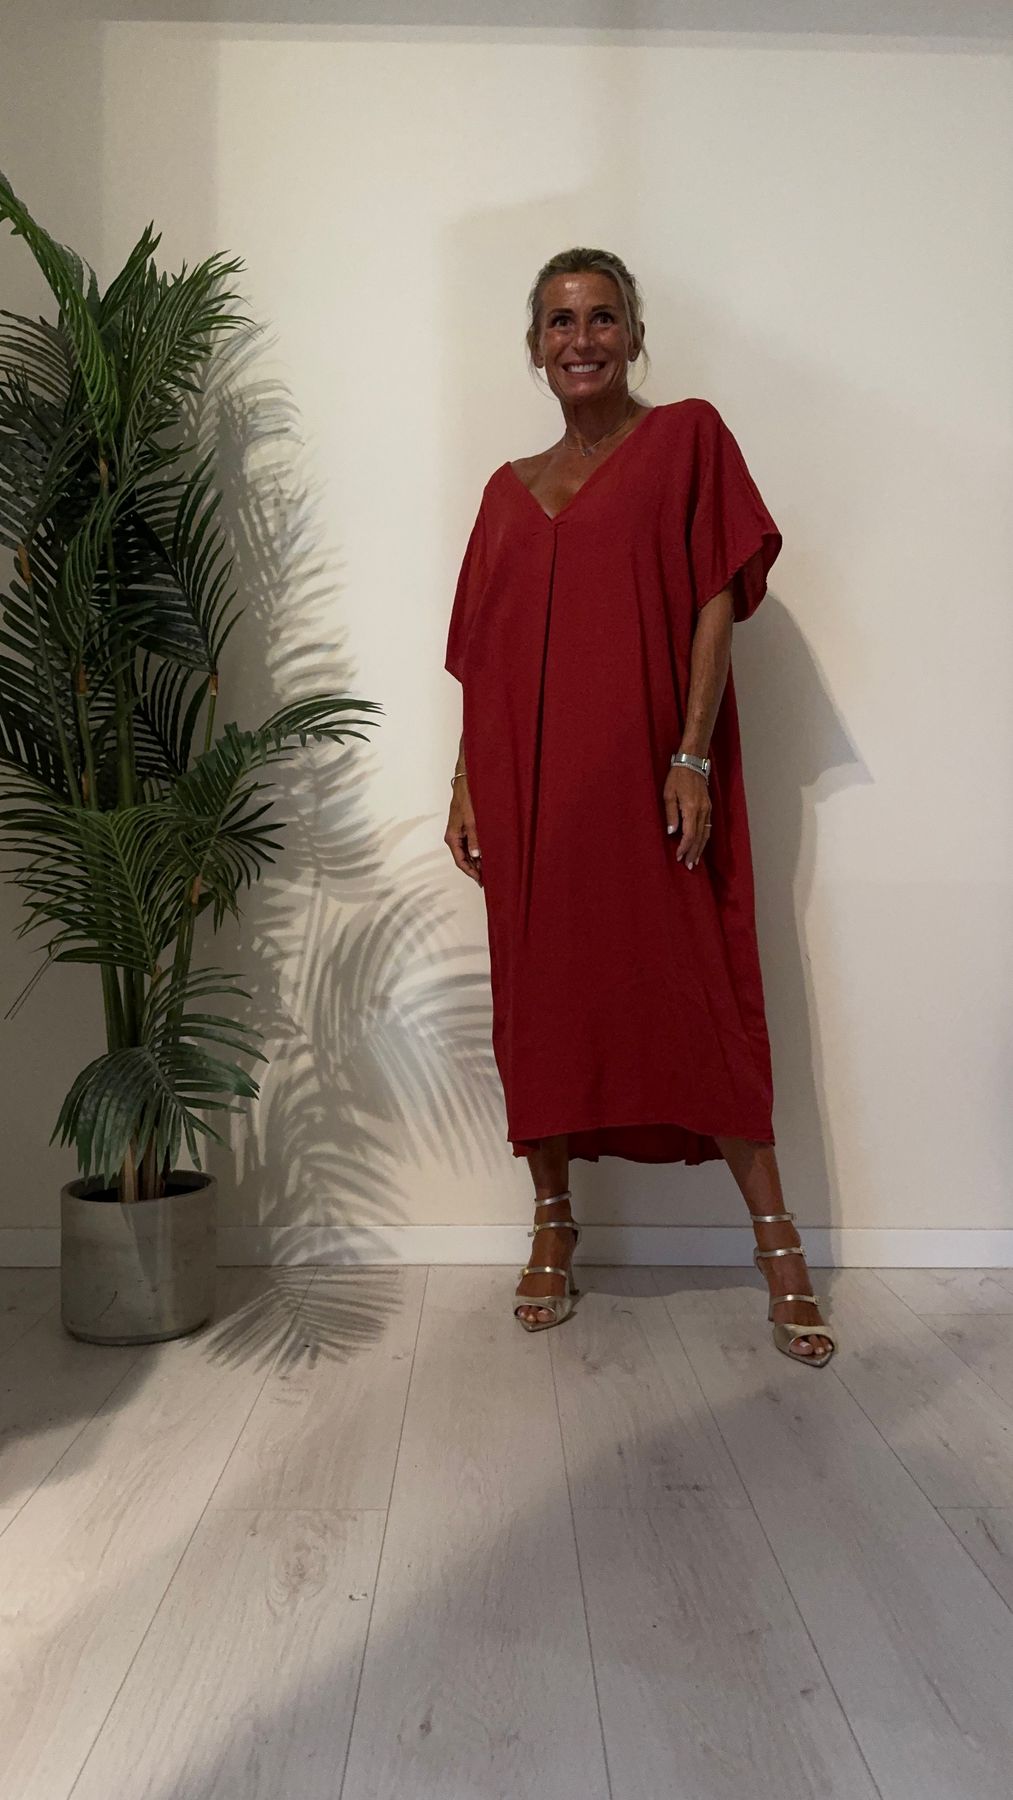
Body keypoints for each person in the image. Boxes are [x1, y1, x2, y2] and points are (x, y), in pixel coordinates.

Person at [443, 247, 835, 1366]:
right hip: (527, 787)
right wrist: (464, 782)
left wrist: (691, 755)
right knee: (543, 1002)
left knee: (696, 993)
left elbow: (714, 597)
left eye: (602, 317)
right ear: (534, 347)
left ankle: (779, 1249)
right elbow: (482, 656)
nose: (582, 339)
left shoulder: (685, 441)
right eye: (560, 321)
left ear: (633, 334)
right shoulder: (504, 492)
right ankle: (552, 1224)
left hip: (647, 775)